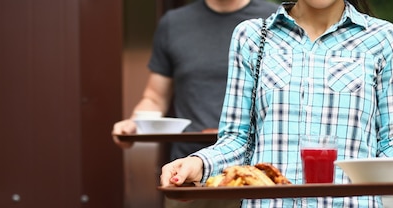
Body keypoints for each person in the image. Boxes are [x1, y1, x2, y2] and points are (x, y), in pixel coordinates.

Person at [159, 0, 393, 207]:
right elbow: (237, 141)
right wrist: (196, 164)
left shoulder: (387, 41)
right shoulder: (251, 37)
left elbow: (392, 143)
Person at [111, 0, 278, 207]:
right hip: (186, 177)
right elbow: (155, 97)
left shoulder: (274, 18)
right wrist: (136, 124)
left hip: (254, 179)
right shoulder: (174, 23)